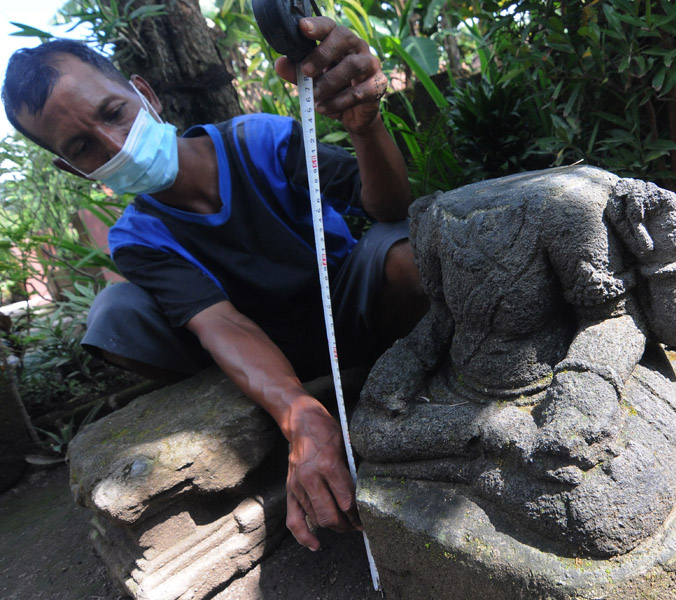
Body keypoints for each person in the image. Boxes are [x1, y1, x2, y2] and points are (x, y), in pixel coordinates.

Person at [1, 17, 426, 551]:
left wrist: (367, 128)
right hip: (268, 348)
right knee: (114, 313)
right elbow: (221, 320)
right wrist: (300, 417)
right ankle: (252, 395)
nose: (114, 143)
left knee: (405, 255)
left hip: (345, 305)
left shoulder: (259, 140)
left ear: (145, 94)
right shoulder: (136, 237)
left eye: (114, 113)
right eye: (84, 147)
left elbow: (387, 208)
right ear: (70, 168)